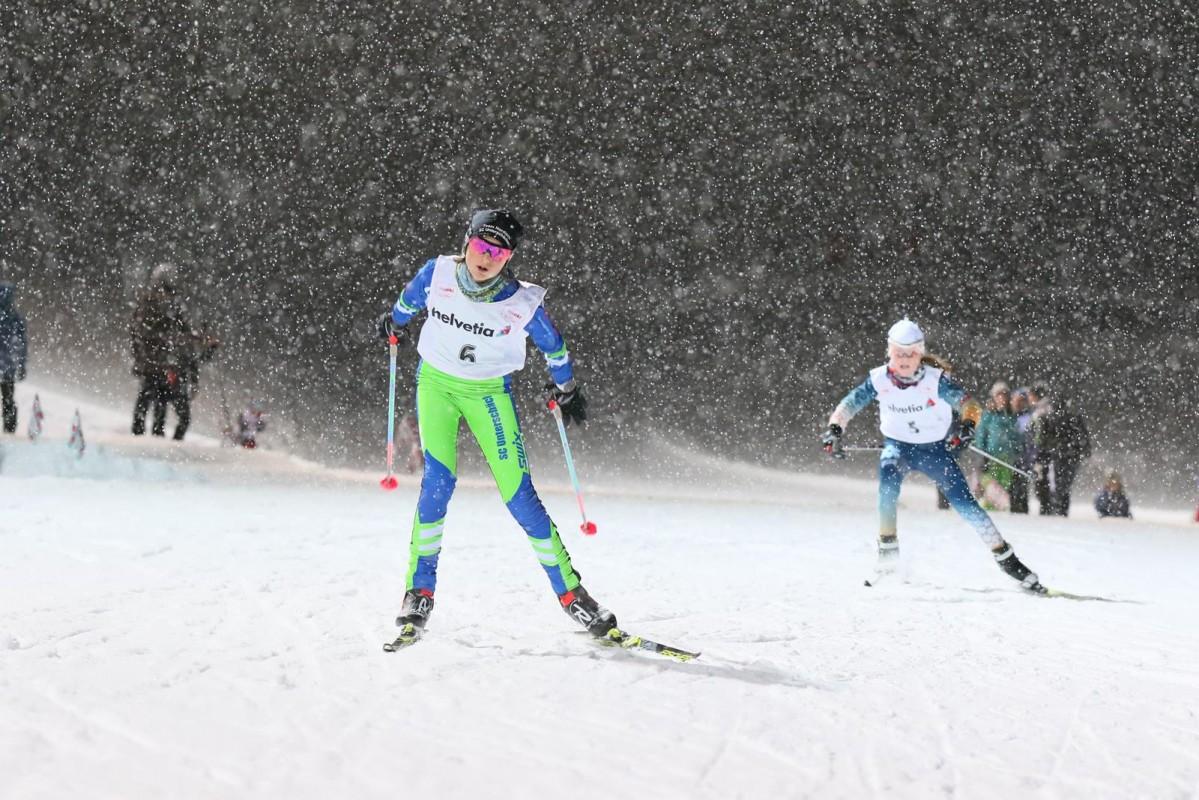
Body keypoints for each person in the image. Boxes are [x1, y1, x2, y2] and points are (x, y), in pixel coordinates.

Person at [376, 208, 613, 646]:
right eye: (482, 246)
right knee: (437, 484)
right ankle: (418, 592)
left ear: (509, 258)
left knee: (520, 497)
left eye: (499, 253)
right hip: (436, 386)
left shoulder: (522, 302)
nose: (487, 258)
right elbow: (408, 301)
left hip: (488, 395)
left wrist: (567, 388)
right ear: (466, 242)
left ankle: (572, 595)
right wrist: (396, 322)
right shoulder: (438, 273)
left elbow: (554, 347)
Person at [820, 318, 1044, 591]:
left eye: (910, 353)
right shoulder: (879, 379)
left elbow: (971, 406)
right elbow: (849, 404)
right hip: (897, 448)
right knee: (887, 487)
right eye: (898, 353)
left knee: (967, 506)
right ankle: (888, 554)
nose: (904, 360)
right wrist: (834, 429)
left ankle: (1008, 561)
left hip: (934, 452)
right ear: (889, 351)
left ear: (920, 353)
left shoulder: (935, 381)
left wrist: (967, 426)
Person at [129, 264, 217, 440]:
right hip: (154, 362)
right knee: (150, 400)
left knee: (158, 402)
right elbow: (143, 333)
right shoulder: (148, 305)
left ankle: (156, 437)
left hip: (163, 364)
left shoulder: (169, 307)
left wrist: (197, 340)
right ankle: (144, 436)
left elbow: (182, 332)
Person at [1036, 396, 1091, 516]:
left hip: (1061, 456)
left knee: (1057, 485)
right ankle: (1058, 509)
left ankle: (1055, 508)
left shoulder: (1053, 419)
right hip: (1064, 456)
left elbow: (1044, 440)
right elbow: (1083, 438)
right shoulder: (1070, 419)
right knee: (1061, 485)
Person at [975, 381, 1023, 511]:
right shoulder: (988, 414)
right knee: (991, 484)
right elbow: (981, 434)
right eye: (999, 395)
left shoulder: (1011, 415)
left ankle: (999, 510)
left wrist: (1017, 452)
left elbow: (1016, 436)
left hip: (1007, 458)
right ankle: (987, 508)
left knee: (1004, 484)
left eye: (1005, 395)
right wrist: (982, 454)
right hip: (991, 456)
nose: (1002, 398)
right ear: (994, 397)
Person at [0, 281, 29, 434]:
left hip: (6, 365)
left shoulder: (15, 318)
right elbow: (22, 345)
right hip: (7, 367)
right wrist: (21, 365)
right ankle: (9, 429)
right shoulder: (15, 318)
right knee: (8, 399)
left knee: (8, 399)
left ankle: (9, 428)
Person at [1009, 388, 1034, 513]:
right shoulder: (1008, 417)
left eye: (1022, 401)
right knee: (1010, 488)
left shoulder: (1029, 418)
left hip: (1024, 458)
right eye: (1017, 400)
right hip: (1009, 457)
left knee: (1021, 487)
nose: (1019, 404)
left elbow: (1030, 441)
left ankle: (1022, 511)